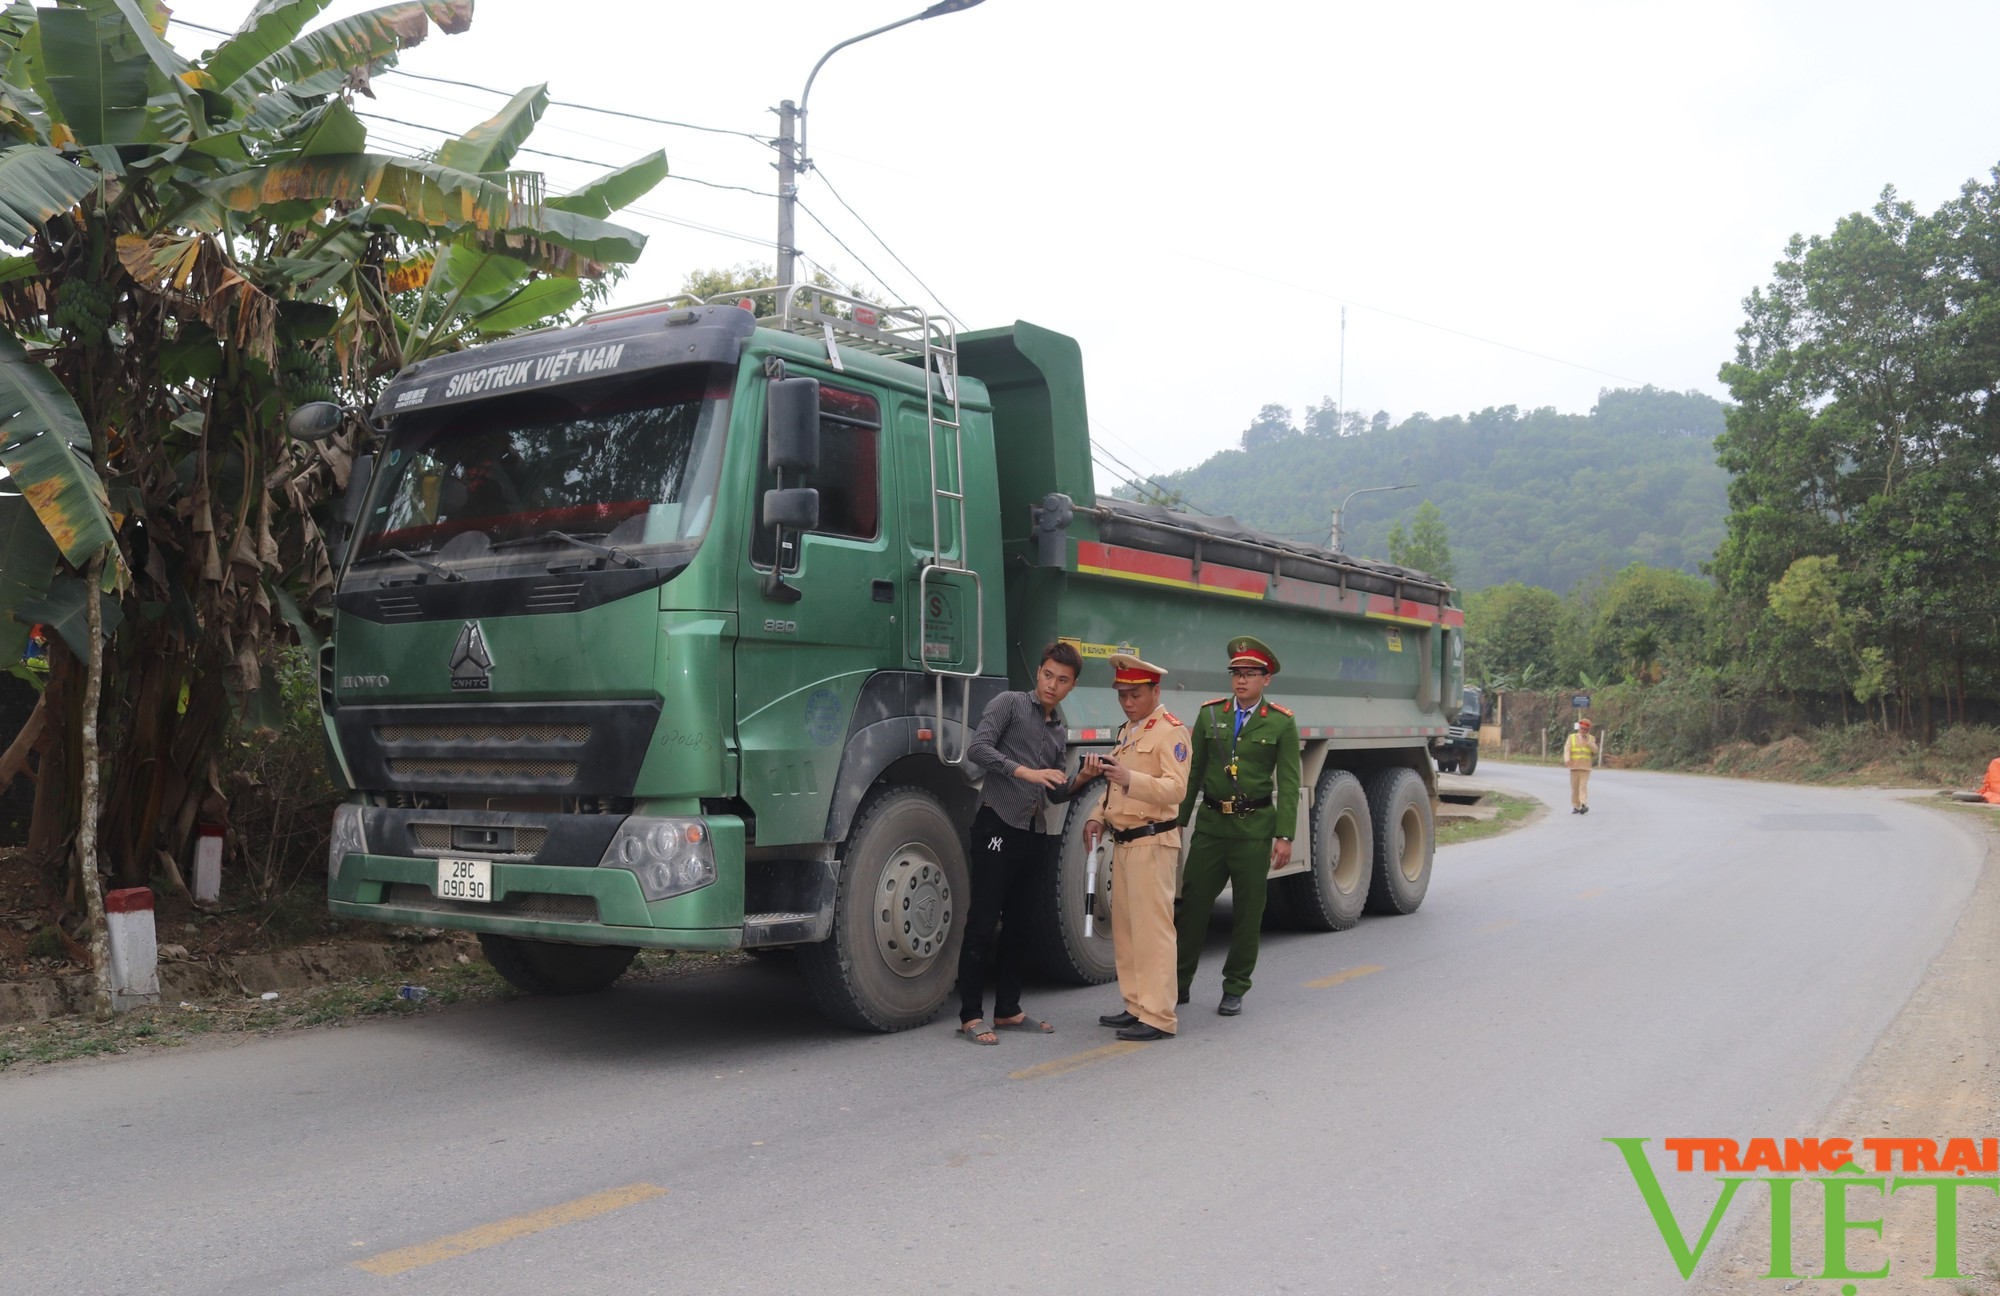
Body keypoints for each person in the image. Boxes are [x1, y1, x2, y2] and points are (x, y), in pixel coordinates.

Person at [955, 641, 1089, 1045]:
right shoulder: (1009, 703)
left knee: (1020, 925)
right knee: (982, 923)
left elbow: (1054, 793)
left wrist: (1081, 779)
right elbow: (977, 749)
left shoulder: (1057, 730)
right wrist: (1026, 773)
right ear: (1039, 673)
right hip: (996, 823)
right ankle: (970, 1015)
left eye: (1062, 680)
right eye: (1048, 675)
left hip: (1032, 834)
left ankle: (1009, 1010)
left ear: (1072, 686)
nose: (1052, 684)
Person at [1174, 635, 1301, 1017]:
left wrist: (1284, 834)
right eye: (1236, 673)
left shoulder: (1281, 723)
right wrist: (1177, 822)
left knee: (1248, 911)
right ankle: (1178, 983)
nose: (1241, 680)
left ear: (1267, 679)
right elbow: (1193, 773)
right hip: (1211, 827)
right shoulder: (1210, 715)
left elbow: (1290, 782)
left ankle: (1235, 986)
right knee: (1193, 906)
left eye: (1250, 674)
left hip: (1253, 831)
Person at [1083, 654, 1191, 1042]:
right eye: (1122, 695)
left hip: (1153, 840)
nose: (1127, 702)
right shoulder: (1130, 730)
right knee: (1127, 931)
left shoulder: (1170, 732)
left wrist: (1133, 778)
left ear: (1155, 691)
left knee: (1153, 932)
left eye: (1135, 694)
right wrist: (1097, 814)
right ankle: (1136, 1006)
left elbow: (1176, 789)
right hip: (1125, 842)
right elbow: (1114, 782)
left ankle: (1160, 1016)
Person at [1566, 718, 1600, 814]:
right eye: (1582, 728)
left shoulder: (1591, 738)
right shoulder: (1572, 737)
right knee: (1575, 789)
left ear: (1588, 730)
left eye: (1586, 729)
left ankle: (1583, 804)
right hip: (1574, 767)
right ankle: (1576, 806)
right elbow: (1567, 749)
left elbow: (1595, 750)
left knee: (1583, 787)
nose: (1583, 731)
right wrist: (1567, 759)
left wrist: (1588, 742)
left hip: (1586, 767)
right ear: (1579, 728)